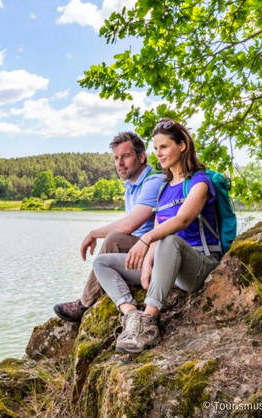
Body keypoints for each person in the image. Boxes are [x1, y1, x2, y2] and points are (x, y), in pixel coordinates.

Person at [92, 120, 220, 354]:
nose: (158, 154)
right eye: (156, 148)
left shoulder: (200, 182)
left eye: (164, 147)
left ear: (182, 146)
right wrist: (148, 263)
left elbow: (181, 221)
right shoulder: (165, 188)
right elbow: (160, 226)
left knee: (169, 240)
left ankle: (149, 323)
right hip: (169, 265)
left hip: (199, 265)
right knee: (102, 262)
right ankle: (132, 315)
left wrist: (145, 239)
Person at [53, 132, 164, 322]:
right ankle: (88, 299)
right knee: (114, 238)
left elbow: (129, 225)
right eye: (116, 158)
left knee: (113, 238)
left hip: (154, 250)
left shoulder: (153, 181)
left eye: (126, 156)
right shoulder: (131, 187)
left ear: (142, 157)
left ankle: (85, 303)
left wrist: (94, 233)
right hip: (138, 248)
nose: (120, 163)